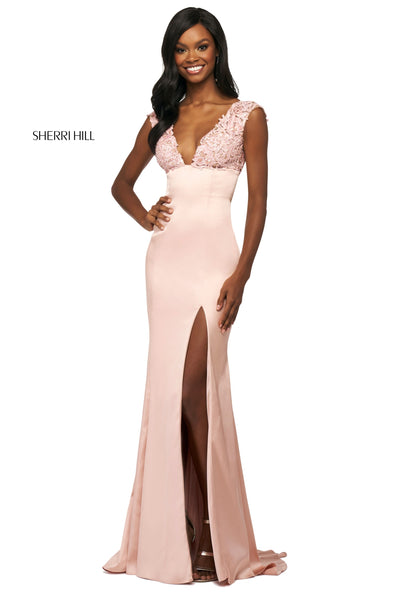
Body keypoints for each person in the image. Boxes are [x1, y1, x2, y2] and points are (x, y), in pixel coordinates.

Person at [102, 6, 287, 585]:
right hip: (166, 267)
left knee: (196, 390)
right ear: (171, 56)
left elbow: (258, 203)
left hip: (216, 265)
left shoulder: (249, 116)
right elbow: (120, 185)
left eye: (201, 46)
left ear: (217, 50)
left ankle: (210, 532)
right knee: (174, 395)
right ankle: (187, 531)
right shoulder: (160, 117)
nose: (191, 57)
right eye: (181, 49)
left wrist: (243, 274)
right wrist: (144, 216)